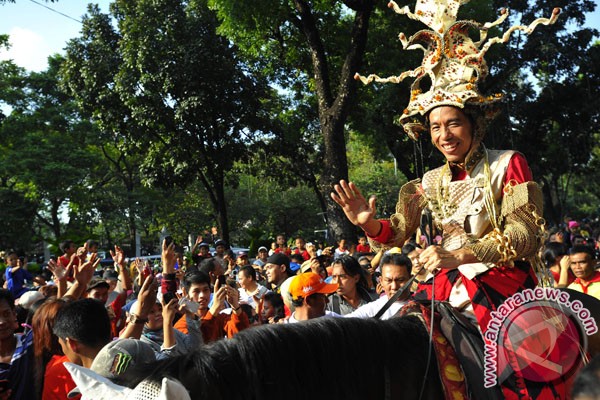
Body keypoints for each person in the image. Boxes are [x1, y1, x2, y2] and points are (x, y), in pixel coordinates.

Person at [174, 271, 249, 343]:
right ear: (185, 293)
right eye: (196, 291)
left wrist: (235, 305)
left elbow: (240, 337)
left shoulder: (219, 318)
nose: (202, 295)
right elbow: (198, 343)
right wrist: (214, 309)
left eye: (206, 290)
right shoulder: (181, 325)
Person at [345, 254, 412, 320]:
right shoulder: (374, 308)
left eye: (400, 280)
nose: (394, 287)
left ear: (411, 280)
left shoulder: (420, 304)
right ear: (381, 281)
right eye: (388, 280)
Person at [0, 289, 34, 400]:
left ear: (14, 314)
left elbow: (54, 313)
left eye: (6, 314)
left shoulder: (31, 342)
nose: (2, 321)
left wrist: (79, 284)